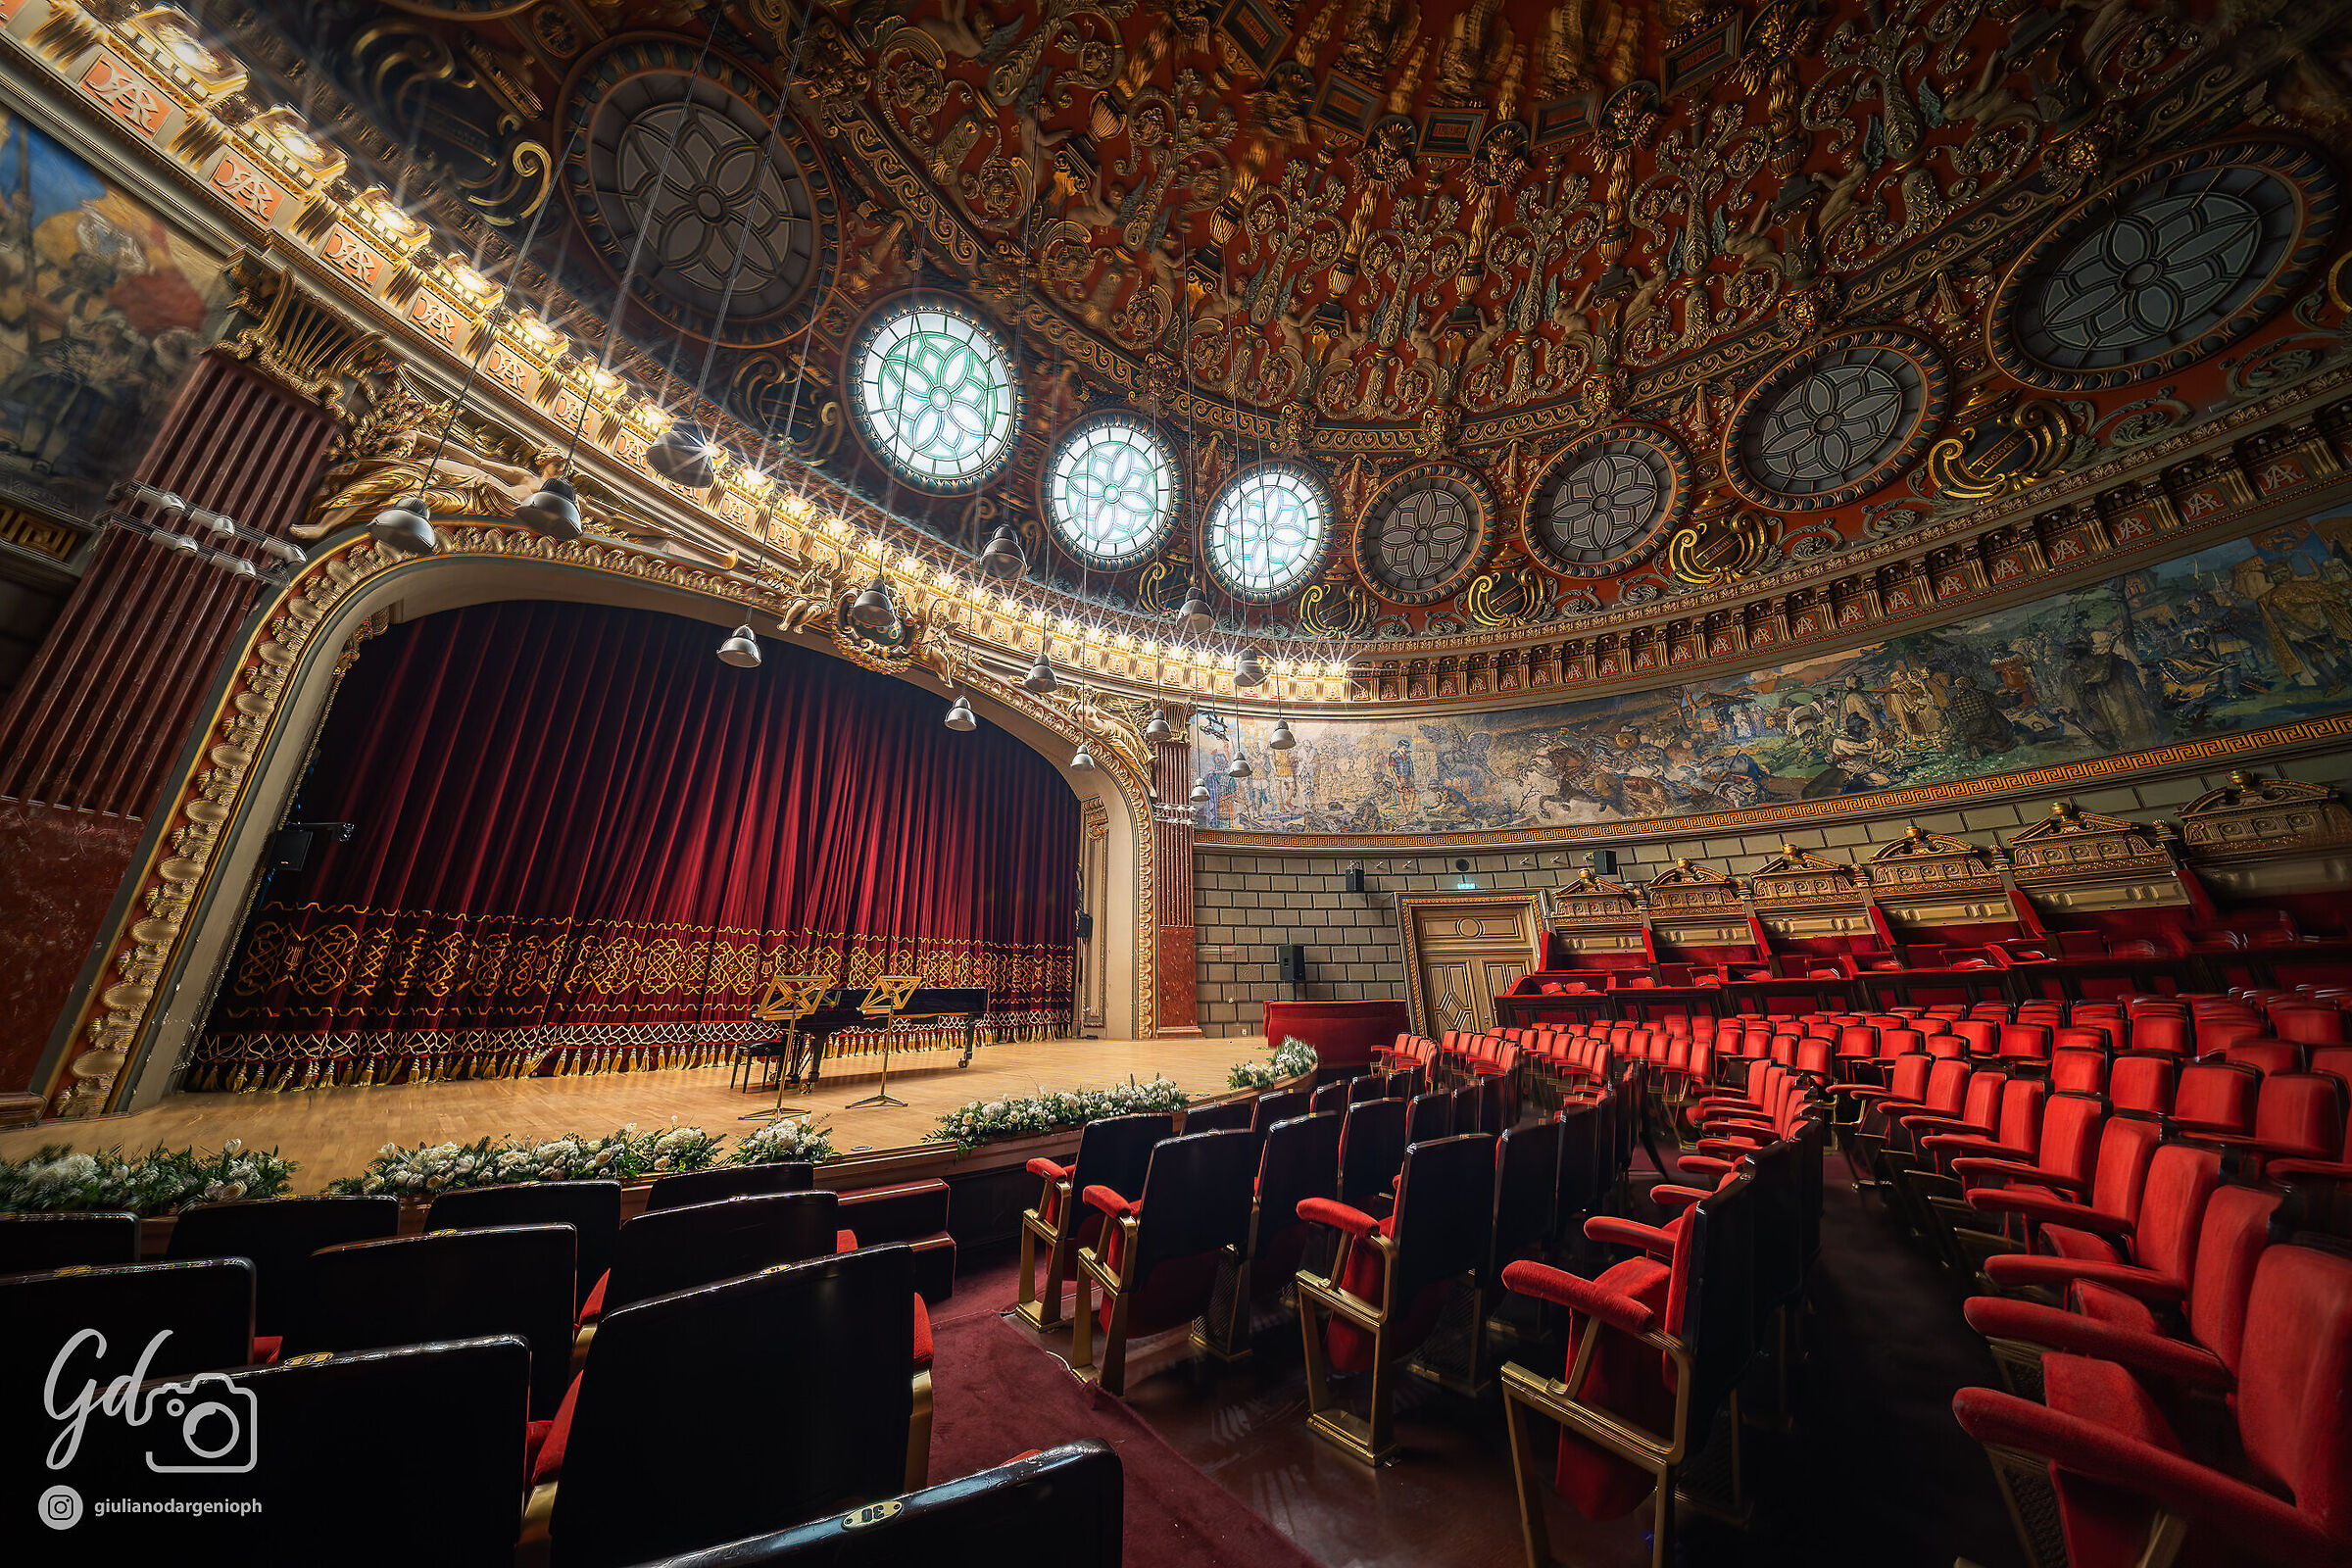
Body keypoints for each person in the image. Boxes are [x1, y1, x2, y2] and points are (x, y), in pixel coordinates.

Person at [1942, 673, 2017, 758]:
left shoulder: (1956, 700)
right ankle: (2002, 743)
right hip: (1989, 725)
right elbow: (1998, 702)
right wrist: (2011, 699)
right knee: (1994, 713)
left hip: (1972, 729)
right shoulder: (1980, 693)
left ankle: (1980, 749)